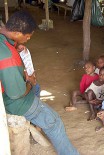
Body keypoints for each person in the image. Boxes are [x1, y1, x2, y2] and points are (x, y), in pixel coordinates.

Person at [0, 11, 79, 155]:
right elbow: (16, 94)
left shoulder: (3, 36)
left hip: (11, 90)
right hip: (15, 102)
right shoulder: (7, 56)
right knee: (55, 123)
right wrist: (29, 81)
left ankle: (37, 121)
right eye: (28, 36)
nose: (28, 39)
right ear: (17, 33)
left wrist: (15, 46)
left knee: (37, 88)